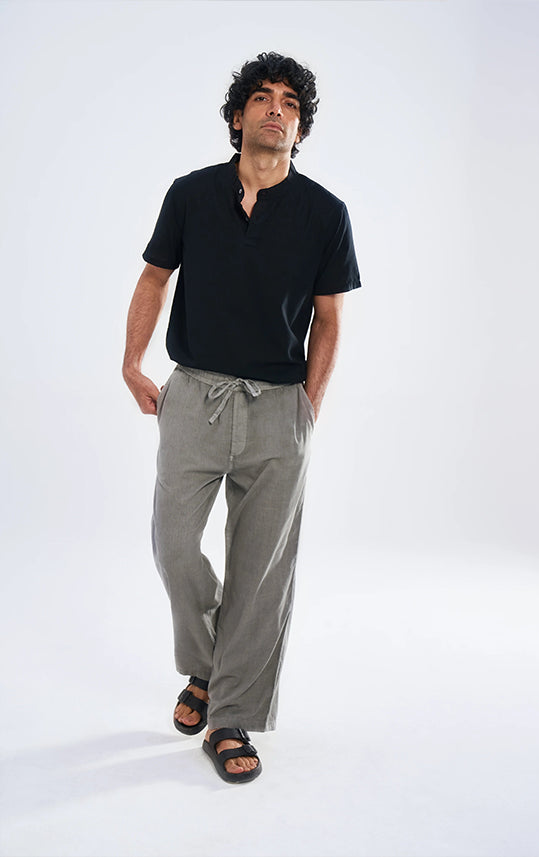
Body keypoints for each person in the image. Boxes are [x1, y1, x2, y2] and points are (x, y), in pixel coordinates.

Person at [122, 51, 361, 784]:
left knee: (262, 572)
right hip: (193, 393)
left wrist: (308, 407)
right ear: (237, 117)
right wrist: (132, 363)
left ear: (300, 128)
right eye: (263, 97)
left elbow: (328, 319)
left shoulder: (325, 213)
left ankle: (230, 713)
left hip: (278, 407)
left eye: (290, 102)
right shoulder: (191, 194)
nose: (276, 109)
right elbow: (154, 277)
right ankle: (206, 664)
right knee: (173, 544)